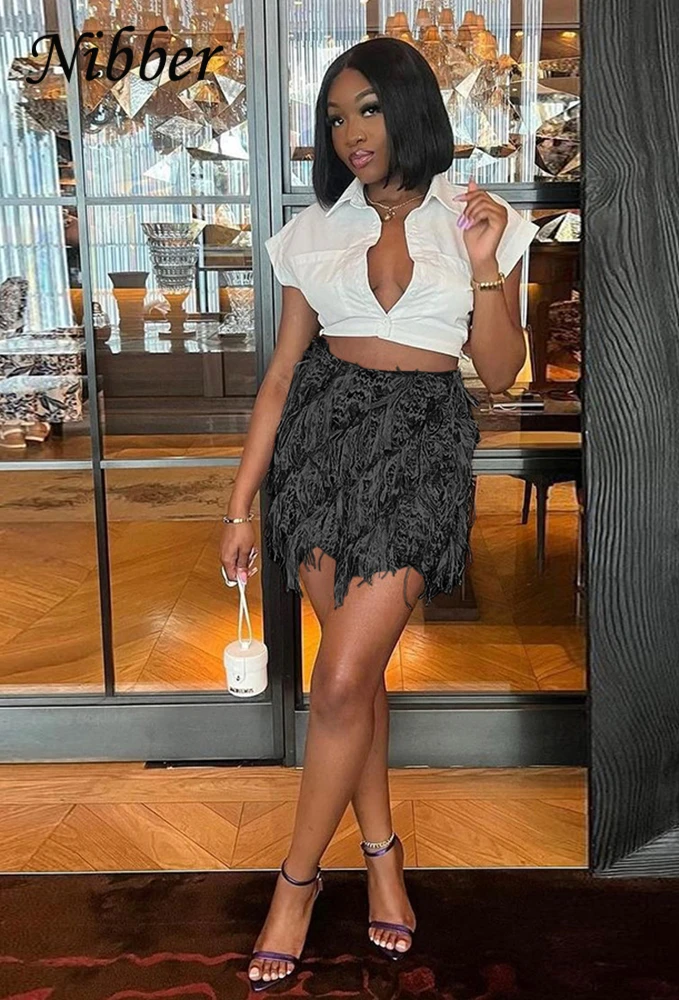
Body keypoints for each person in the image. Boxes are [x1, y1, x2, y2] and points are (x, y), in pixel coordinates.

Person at [219, 35, 537, 993]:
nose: (351, 132)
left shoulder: (478, 219)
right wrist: (239, 505)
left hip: (422, 449)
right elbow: (281, 378)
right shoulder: (312, 233)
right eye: (335, 117)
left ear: (408, 109)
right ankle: (382, 855)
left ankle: (296, 883)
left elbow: (500, 372)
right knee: (349, 682)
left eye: (366, 109)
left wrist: (484, 262)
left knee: (341, 680)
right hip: (322, 447)